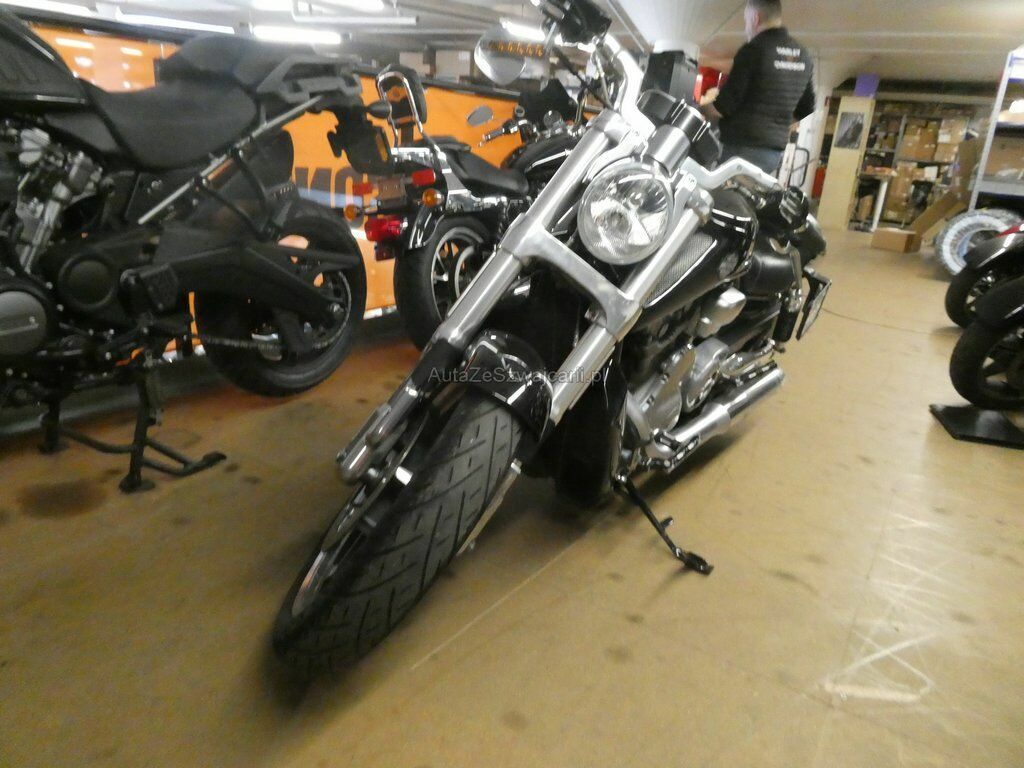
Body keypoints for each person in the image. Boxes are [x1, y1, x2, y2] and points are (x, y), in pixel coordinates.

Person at [701, 0, 816, 175]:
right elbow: (807, 107)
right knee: (749, 193)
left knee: (724, 192)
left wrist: (700, 109)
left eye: (746, 21)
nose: (746, 27)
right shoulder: (803, 55)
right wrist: (776, 124)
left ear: (755, 18)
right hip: (773, 154)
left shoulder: (753, 50)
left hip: (741, 149)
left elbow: (724, 106)